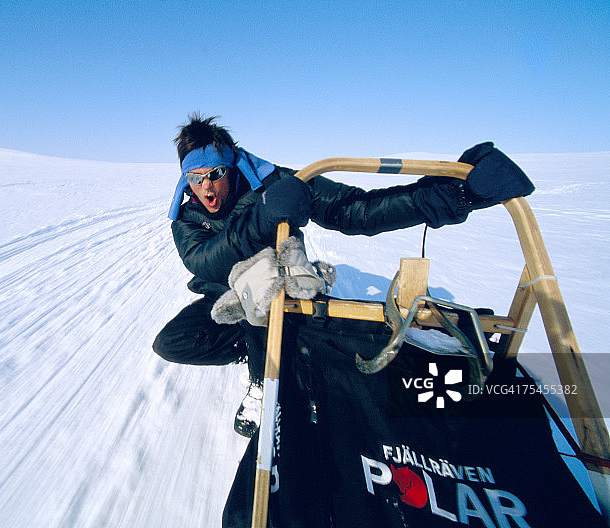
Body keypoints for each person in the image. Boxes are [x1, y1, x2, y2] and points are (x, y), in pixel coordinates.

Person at [152, 113, 534, 437]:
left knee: (319, 331)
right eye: (195, 178)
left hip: (286, 293)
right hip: (227, 300)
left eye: (215, 173)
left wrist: (451, 195)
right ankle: (259, 354)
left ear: (232, 166)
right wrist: (262, 218)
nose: (206, 187)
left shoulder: (278, 183)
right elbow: (203, 261)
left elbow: (353, 210)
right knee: (172, 342)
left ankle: (266, 379)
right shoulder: (186, 216)